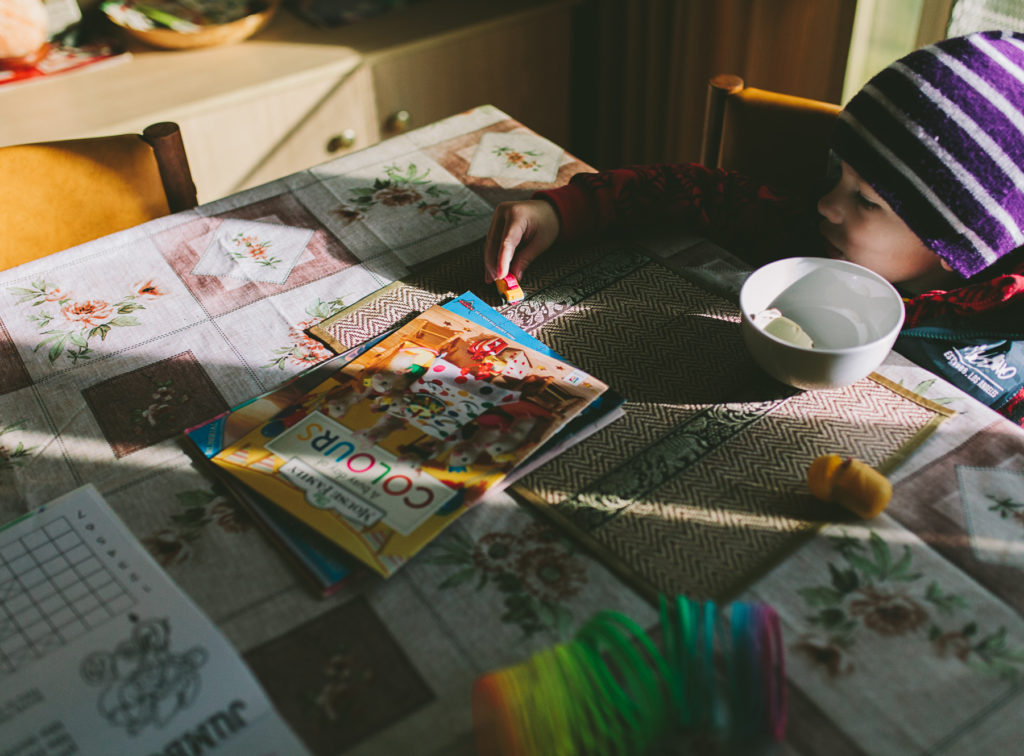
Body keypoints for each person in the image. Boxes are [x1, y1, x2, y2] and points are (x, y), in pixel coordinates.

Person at [482, 30, 1024, 427]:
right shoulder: (802, 225)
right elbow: (690, 189)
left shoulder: (1004, 340)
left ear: (955, 249)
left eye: (864, 200)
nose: (827, 205)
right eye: (838, 173)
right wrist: (563, 209)